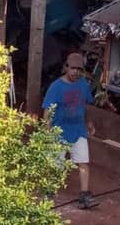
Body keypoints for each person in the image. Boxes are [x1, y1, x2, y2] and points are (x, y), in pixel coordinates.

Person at [42, 51, 98, 210]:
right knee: (56, 165)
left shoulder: (83, 85)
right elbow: (48, 111)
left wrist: (89, 121)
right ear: (66, 67)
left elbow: (87, 104)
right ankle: (49, 190)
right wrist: (47, 131)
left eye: (79, 70)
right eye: (73, 69)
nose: (76, 72)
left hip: (78, 130)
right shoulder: (56, 87)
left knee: (83, 163)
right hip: (59, 132)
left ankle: (84, 194)